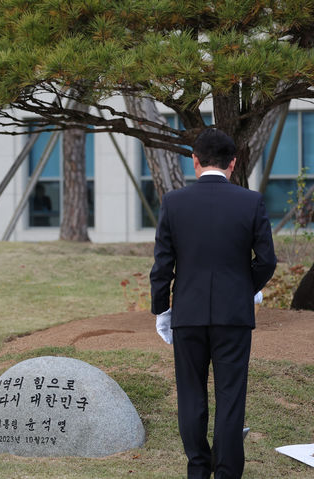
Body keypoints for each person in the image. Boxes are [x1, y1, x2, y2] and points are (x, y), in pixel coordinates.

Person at [150, 128, 277, 479]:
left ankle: (197, 468)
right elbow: (266, 261)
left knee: (191, 395)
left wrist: (162, 309)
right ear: (232, 164)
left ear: (195, 161)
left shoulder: (173, 203)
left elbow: (162, 266)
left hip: (187, 314)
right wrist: (243, 287)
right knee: (231, 396)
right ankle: (226, 473)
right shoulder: (250, 201)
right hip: (233, 316)